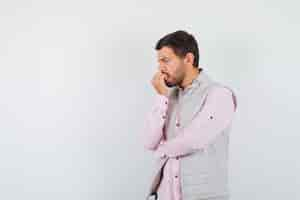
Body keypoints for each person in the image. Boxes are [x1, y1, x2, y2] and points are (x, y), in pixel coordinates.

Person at [143, 30, 238, 200]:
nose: (160, 68)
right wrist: (161, 97)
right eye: (159, 62)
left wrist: (162, 149)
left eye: (165, 60)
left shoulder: (219, 95)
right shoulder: (168, 97)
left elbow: (193, 140)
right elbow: (149, 141)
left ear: (188, 59)